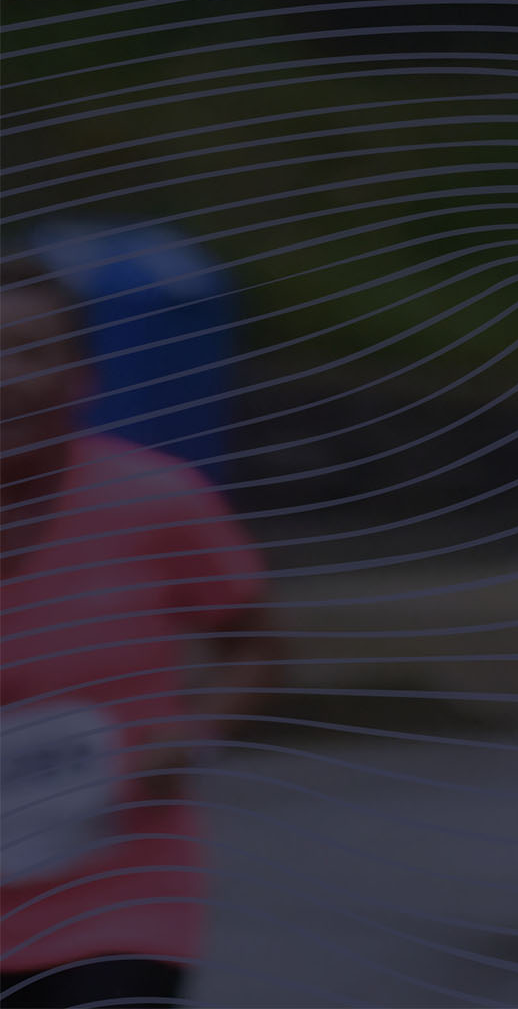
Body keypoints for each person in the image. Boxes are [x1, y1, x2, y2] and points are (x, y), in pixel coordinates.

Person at [1, 252, 275, 1008]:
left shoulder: (155, 504)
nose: (5, 377)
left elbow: (252, 645)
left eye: (30, 351)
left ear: (82, 376)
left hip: (118, 898)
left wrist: (193, 732)